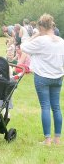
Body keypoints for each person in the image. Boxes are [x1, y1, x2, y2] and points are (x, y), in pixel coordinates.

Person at [21, 14, 64, 145]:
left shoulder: (41, 40)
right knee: (56, 107)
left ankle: (47, 140)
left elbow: (24, 47)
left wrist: (36, 35)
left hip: (42, 77)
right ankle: (57, 139)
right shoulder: (61, 41)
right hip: (58, 76)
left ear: (41, 27)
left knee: (45, 106)